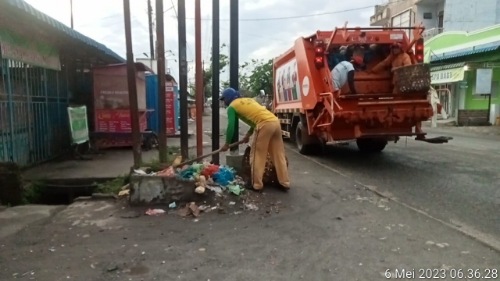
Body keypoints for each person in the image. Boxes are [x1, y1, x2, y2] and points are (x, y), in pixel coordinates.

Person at [219, 87, 290, 191]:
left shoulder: (232, 107)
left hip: (264, 125)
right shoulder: (249, 100)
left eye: (224, 99)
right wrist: (248, 134)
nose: (224, 102)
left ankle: (256, 184)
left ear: (228, 98)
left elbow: (231, 126)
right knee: (278, 155)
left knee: (257, 155)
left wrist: (227, 143)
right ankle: (285, 183)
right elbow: (256, 118)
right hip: (275, 122)